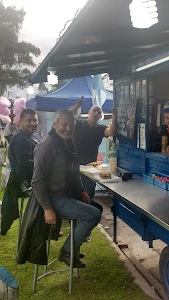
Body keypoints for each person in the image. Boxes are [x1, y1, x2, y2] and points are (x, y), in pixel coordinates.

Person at [31, 109, 101, 268]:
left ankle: (73, 249)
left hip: (66, 195)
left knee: (95, 207)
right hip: (54, 198)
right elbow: (37, 181)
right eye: (64, 124)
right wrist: (47, 208)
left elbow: (73, 171)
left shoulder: (65, 143)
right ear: (55, 124)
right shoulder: (46, 145)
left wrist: (82, 190)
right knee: (93, 214)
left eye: (71, 125)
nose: (68, 129)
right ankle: (67, 251)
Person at [1, 109, 39, 235]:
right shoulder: (21, 139)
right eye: (29, 120)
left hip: (24, 182)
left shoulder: (27, 137)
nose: (33, 123)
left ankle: (45, 226)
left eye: (35, 120)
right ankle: (44, 227)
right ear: (20, 122)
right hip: (23, 185)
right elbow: (25, 166)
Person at [69, 99, 116, 200]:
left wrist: (114, 117)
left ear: (100, 117)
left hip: (90, 168)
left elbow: (111, 132)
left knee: (89, 194)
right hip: (74, 166)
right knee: (73, 193)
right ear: (89, 112)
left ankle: (88, 212)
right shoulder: (78, 124)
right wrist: (77, 106)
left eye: (99, 112)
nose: (96, 113)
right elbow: (68, 116)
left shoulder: (100, 129)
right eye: (94, 110)